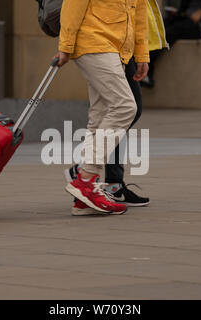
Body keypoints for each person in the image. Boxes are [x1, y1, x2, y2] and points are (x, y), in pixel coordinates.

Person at [65, 0, 168, 211]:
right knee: (125, 107)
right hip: (93, 42)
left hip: (117, 48)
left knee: (100, 113)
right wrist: (65, 46)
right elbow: (72, 7)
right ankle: (85, 179)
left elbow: (139, 18)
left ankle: (83, 200)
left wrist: (141, 56)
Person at [142, 0, 201, 88]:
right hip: (184, 18)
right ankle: (145, 70)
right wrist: (178, 13)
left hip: (197, 25)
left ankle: (147, 72)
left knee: (166, 35)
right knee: (157, 29)